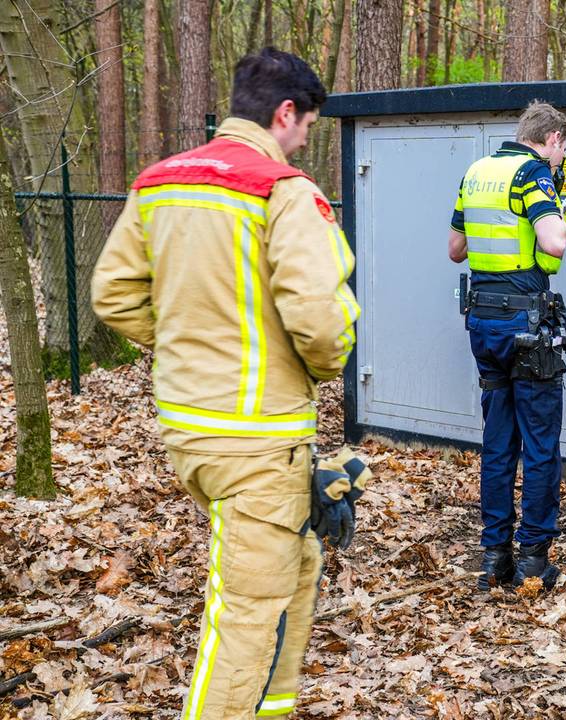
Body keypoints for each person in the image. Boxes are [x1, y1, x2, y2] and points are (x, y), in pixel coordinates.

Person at [92, 48, 359, 718]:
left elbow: (115, 294)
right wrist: (322, 365)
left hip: (192, 430)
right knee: (244, 618)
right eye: (305, 129)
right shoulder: (283, 191)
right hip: (258, 440)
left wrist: (185, 343)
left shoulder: (158, 184)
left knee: (298, 570)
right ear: (285, 112)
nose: (302, 143)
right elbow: (321, 324)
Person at [448, 101, 566, 593]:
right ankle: (534, 560)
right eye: (562, 149)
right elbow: (556, 241)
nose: (560, 157)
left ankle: (495, 554)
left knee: (498, 440)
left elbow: (456, 249)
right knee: (540, 443)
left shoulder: (476, 171)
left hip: (483, 320)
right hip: (526, 320)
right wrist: (555, 201)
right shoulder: (532, 174)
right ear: (553, 140)